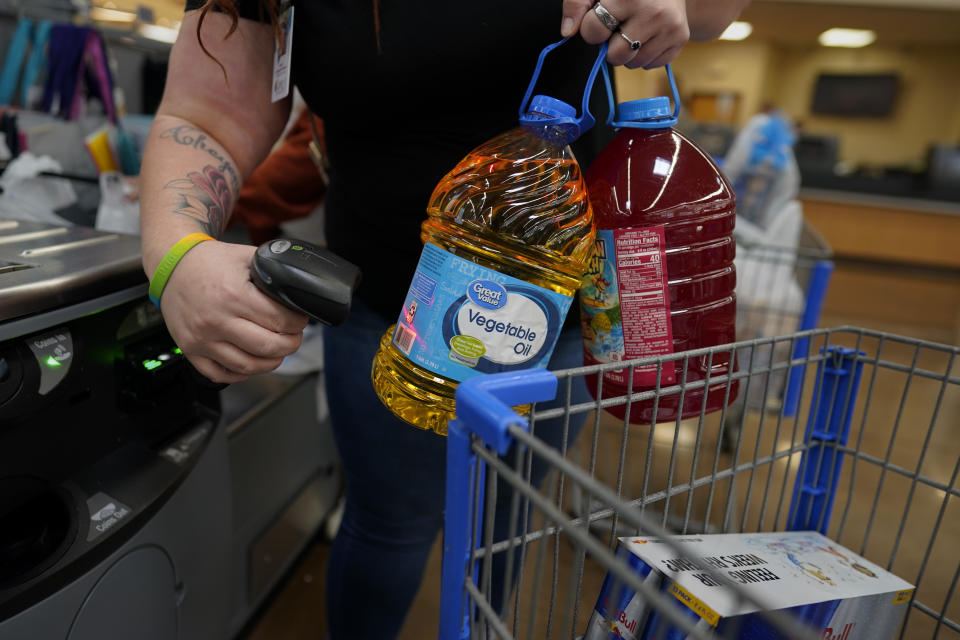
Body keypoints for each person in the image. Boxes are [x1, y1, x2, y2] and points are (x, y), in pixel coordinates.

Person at [139, 1, 750, 637]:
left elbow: (717, 14)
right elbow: (204, 115)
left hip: (552, 308)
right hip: (385, 305)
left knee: (505, 524)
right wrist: (177, 252)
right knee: (389, 525)